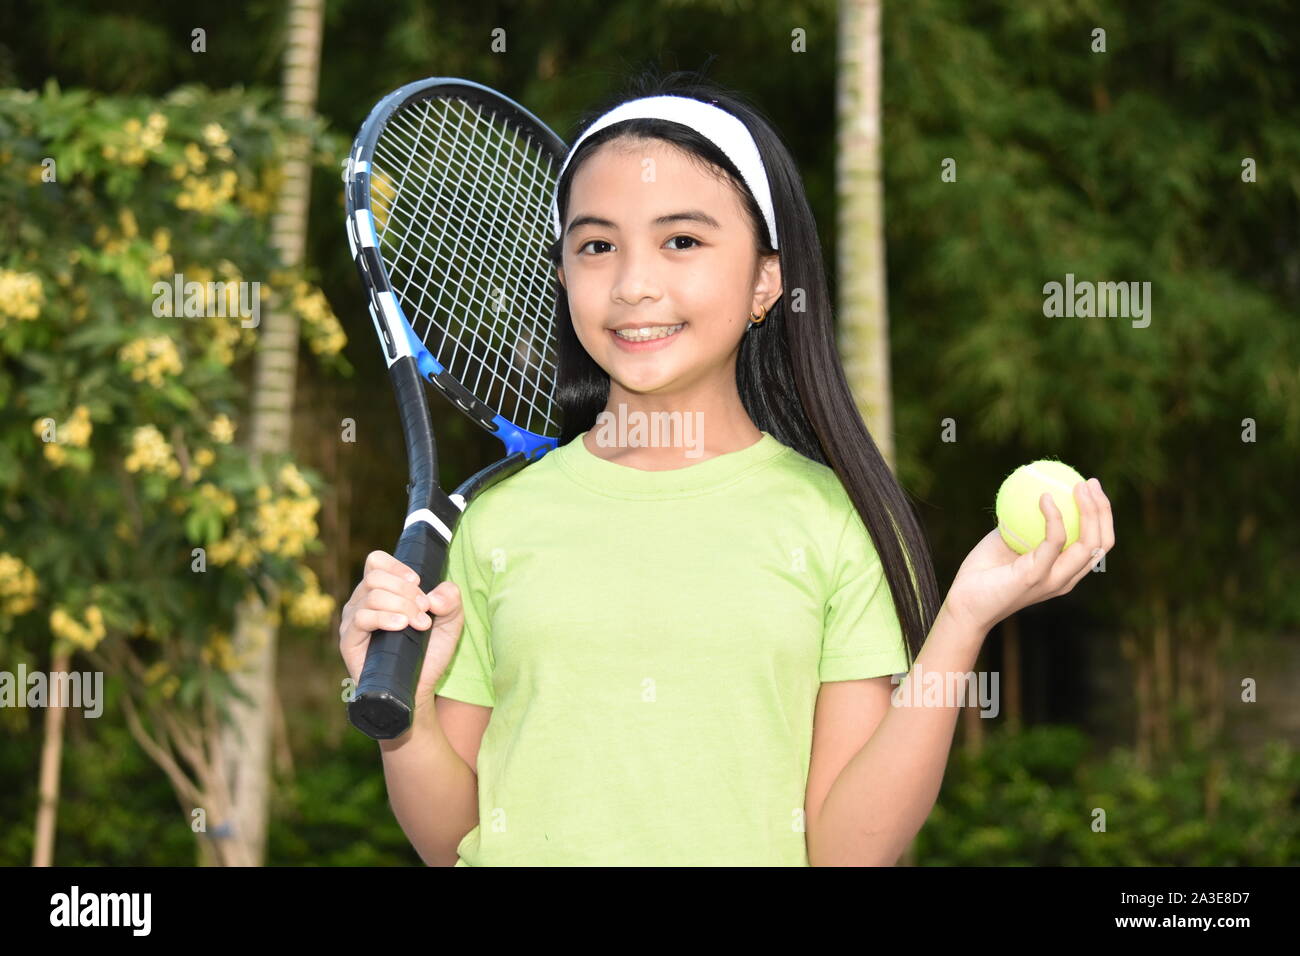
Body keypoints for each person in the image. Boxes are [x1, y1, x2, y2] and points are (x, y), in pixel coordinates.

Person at [338, 70, 1115, 866]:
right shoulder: (497, 525)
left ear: (766, 282)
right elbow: (450, 842)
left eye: (682, 241)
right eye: (597, 245)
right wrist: (411, 721)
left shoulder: (830, 521)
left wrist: (963, 623)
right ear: (562, 272)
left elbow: (849, 851)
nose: (635, 284)